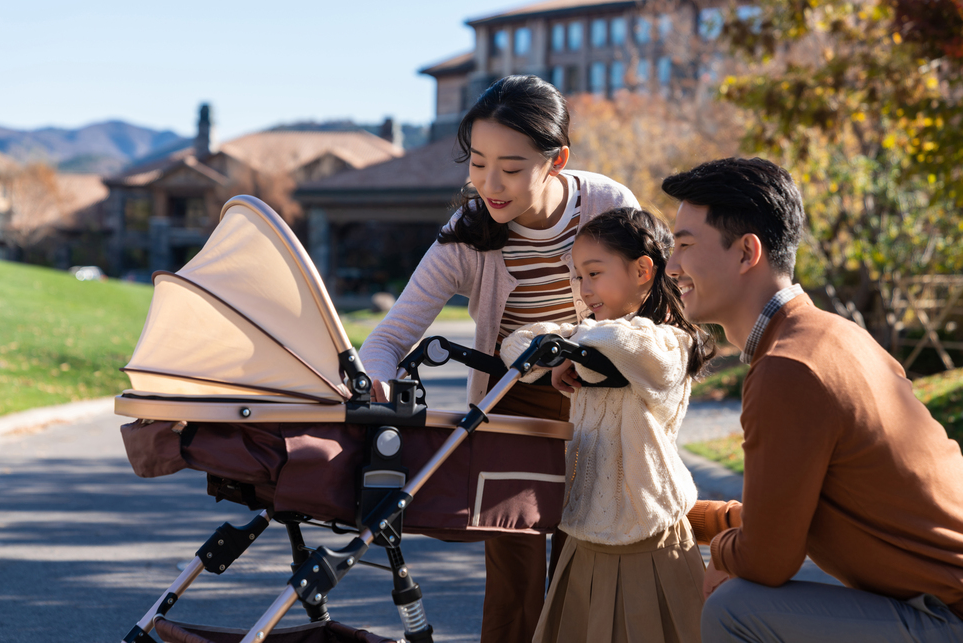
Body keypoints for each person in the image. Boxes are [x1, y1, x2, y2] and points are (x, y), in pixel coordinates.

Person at [359, 74, 639, 643]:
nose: (490, 184)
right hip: (510, 407)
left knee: (587, 563)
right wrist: (376, 384)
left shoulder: (609, 206)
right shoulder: (466, 234)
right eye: (477, 163)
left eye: (511, 168)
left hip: (604, 401)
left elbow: (645, 317)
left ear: (556, 159)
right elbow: (386, 341)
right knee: (513, 573)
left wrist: (589, 356)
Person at [660, 157, 963, 642]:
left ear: (745, 253)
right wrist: (699, 522)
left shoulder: (788, 367)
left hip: (946, 619)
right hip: (935, 606)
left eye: (685, 245)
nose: (671, 265)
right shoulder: (832, 337)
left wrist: (723, 557)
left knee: (735, 608)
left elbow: (767, 561)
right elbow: (790, 516)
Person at [500, 207, 714, 643]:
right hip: (586, 527)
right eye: (579, 276)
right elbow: (515, 345)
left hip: (651, 529)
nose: (584, 288)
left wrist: (567, 348)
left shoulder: (669, 343)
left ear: (642, 270)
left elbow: (625, 342)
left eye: (594, 273)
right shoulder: (588, 336)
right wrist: (561, 353)